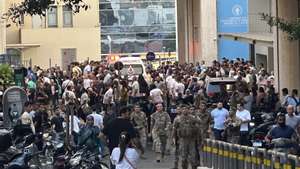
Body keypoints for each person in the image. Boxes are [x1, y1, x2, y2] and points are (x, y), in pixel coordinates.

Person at [172, 104, 200, 169]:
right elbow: (174, 129)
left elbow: (199, 125)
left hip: (191, 140)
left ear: (188, 110)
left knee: (193, 157)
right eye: (183, 109)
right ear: (181, 110)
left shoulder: (193, 118)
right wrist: (173, 139)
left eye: (186, 109)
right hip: (182, 140)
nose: (185, 110)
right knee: (183, 157)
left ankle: (194, 167)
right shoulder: (177, 119)